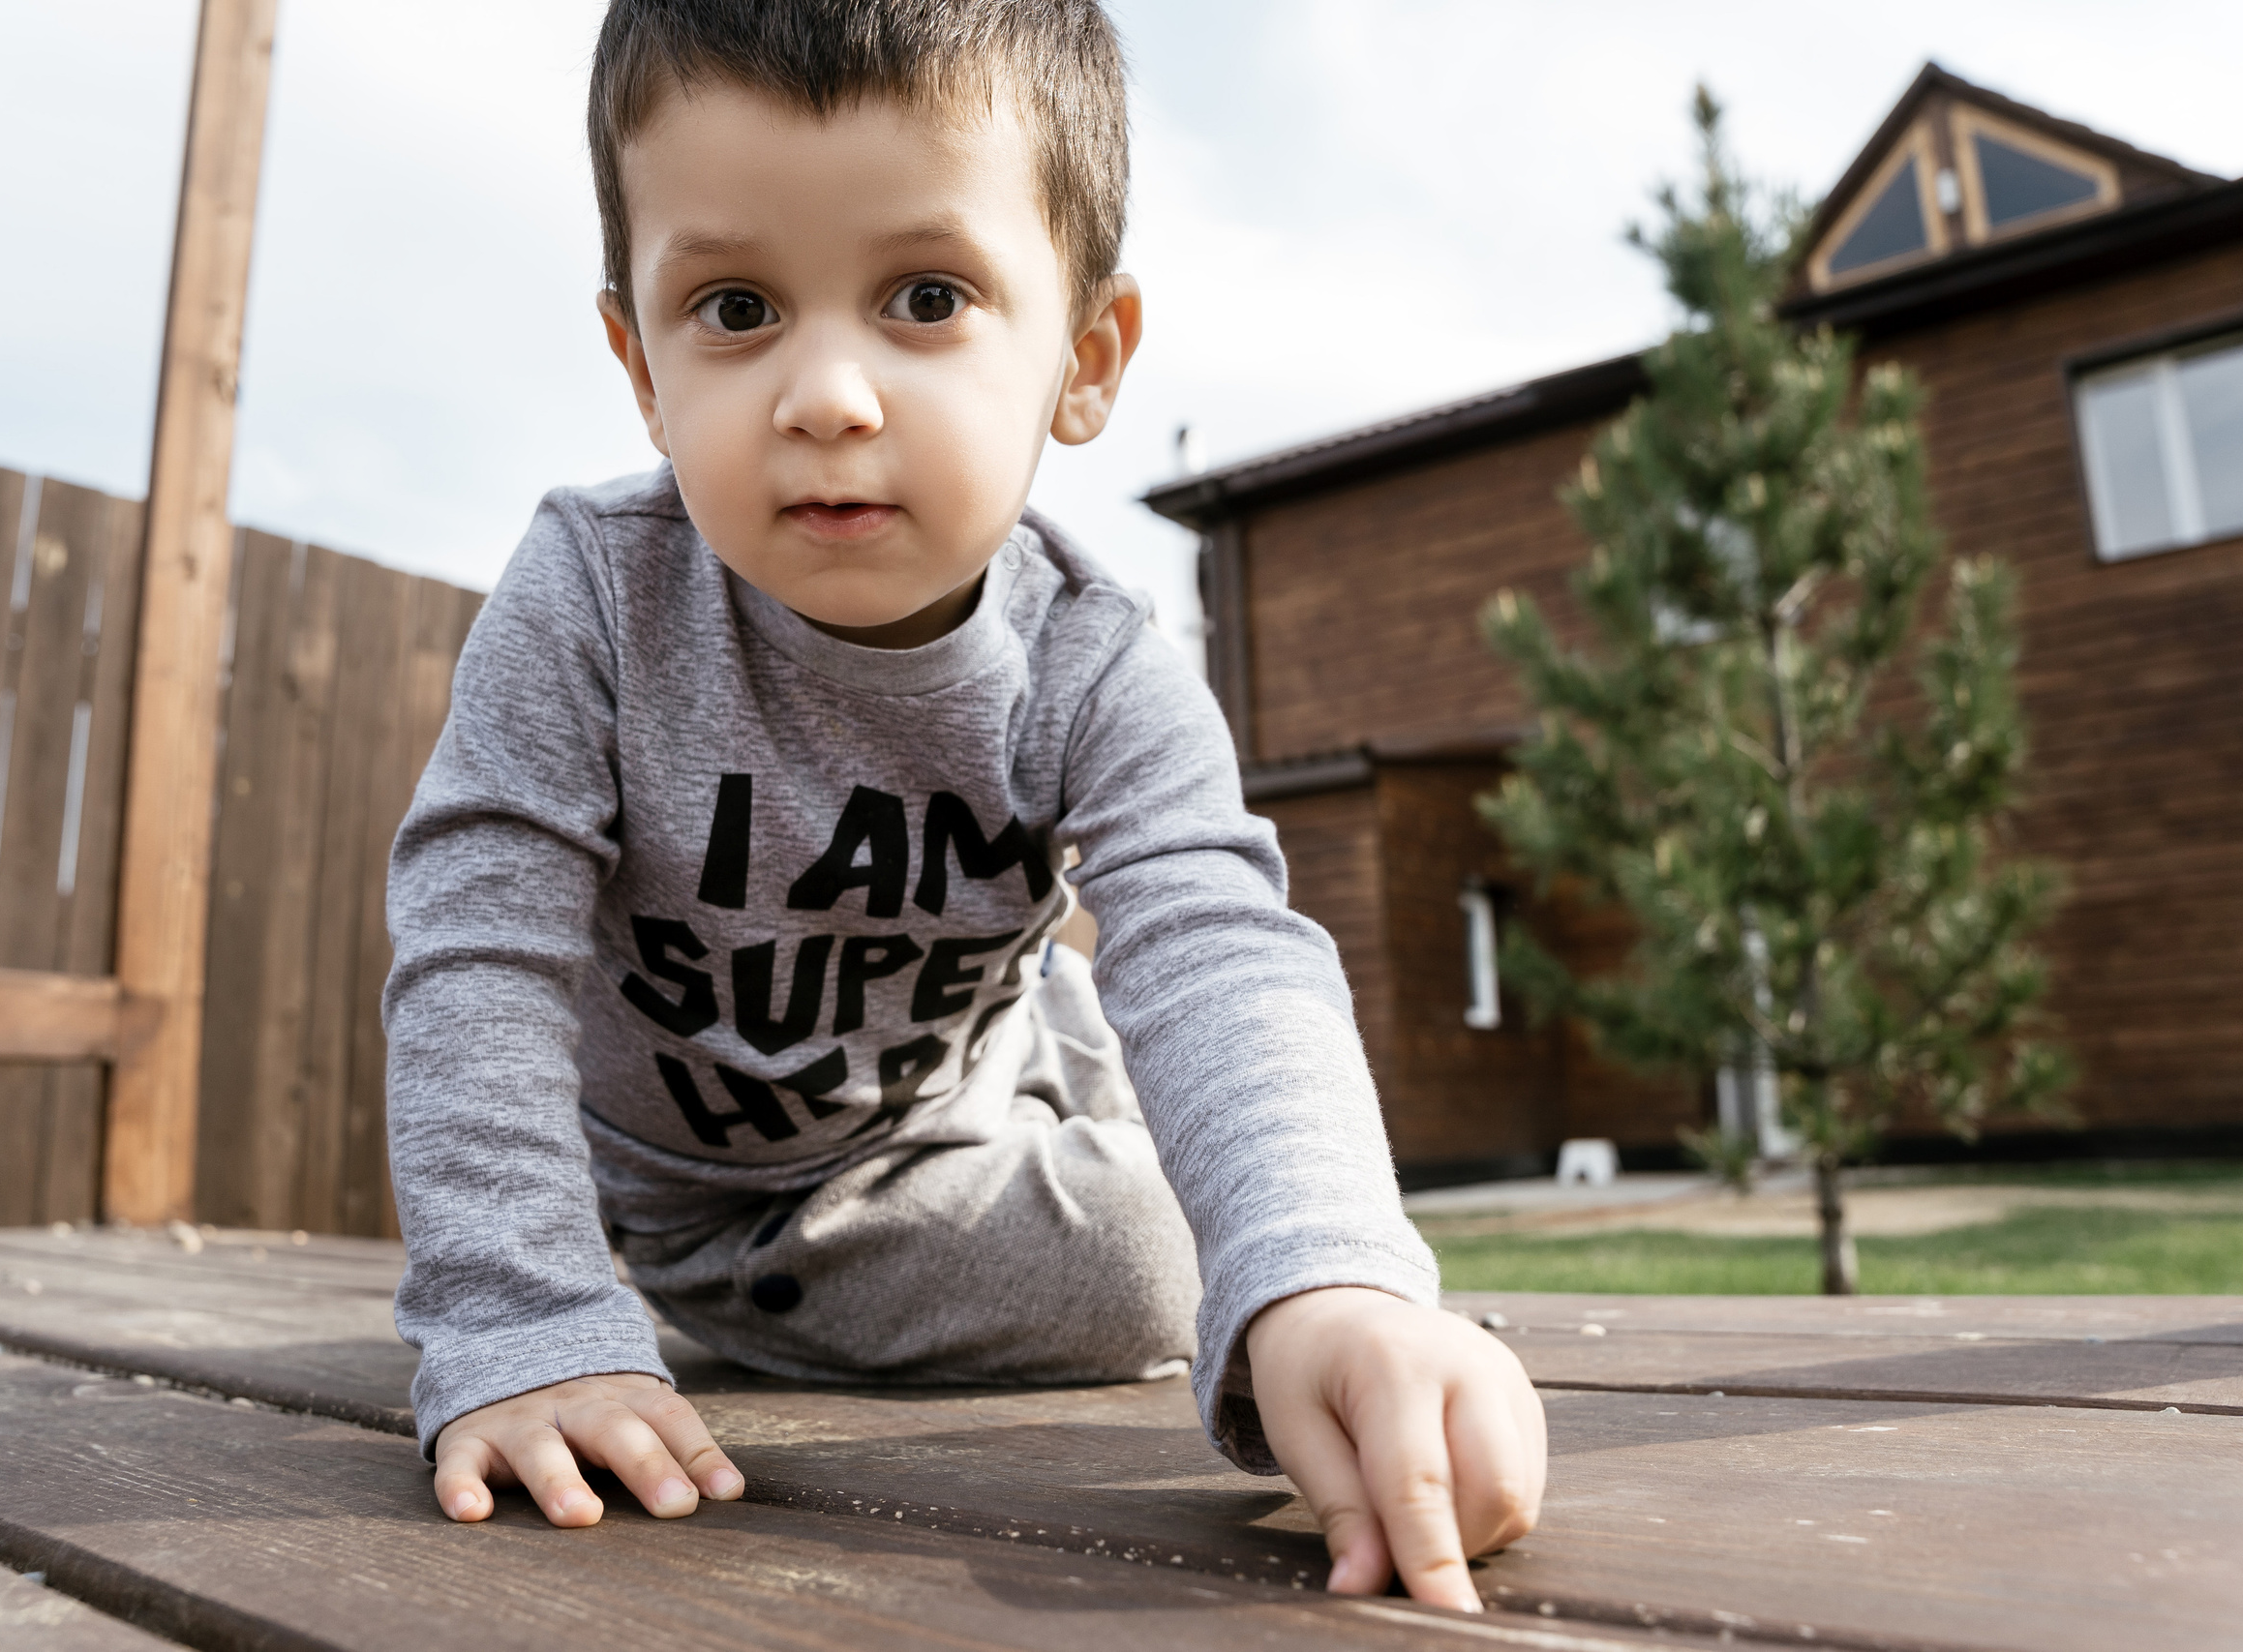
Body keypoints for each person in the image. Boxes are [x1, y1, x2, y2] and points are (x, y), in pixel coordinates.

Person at [384, 0, 1545, 1612]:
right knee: (1152, 1260)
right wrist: (518, 1318)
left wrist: (1338, 1285)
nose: (831, 395)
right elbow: (476, 949)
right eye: (736, 308)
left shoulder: (1093, 660)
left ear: (1083, 360)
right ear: (640, 367)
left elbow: (1219, 946)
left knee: (1230, 1170)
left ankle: (1117, 1108)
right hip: (749, 1202)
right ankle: (970, 1176)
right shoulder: (593, 597)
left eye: (926, 298)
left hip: (977, 1058)